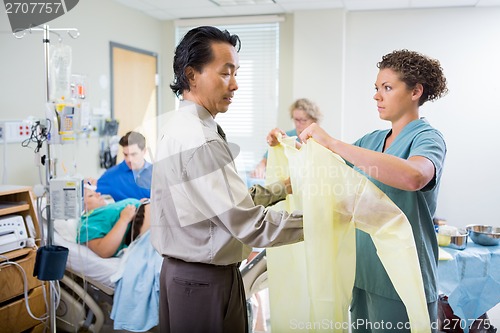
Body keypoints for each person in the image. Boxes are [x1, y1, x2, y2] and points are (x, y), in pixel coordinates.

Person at [270, 49, 446, 331]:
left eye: (387, 88)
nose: (377, 96)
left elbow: (415, 176)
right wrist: (286, 147)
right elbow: (327, 176)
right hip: (363, 272)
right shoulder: (372, 140)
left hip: (402, 276)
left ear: (416, 92)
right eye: (376, 88)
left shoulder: (427, 138)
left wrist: (335, 144)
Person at [151, 26, 304, 333]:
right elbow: (250, 224)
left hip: (184, 276)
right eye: (226, 73)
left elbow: (219, 202)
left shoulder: (180, 126)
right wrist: (326, 218)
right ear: (192, 75)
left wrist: (281, 188)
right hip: (203, 282)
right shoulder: (201, 140)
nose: (235, 85)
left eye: (235, 73)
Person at [250, 98, 323, 179]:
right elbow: (265, 160)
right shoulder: (286, 136)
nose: (298, 124)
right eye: (296, 119)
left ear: (314, 120)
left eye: (303, 120)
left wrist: (291, 142)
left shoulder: (321, 140)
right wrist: (260, 168)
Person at [79, 187, 150, 258]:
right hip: (140, 224)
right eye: (90, 195)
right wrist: (124, 219)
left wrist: (140, 203)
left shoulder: (107, 208)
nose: (98, 194)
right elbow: (103, 250)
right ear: (80, 206)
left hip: (148, 211)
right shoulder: (89, 222)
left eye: (95, 192)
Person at [93, 131, 152, 201]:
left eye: (133, 154)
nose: (129, 159)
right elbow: (91, 194)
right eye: (126, 155)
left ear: (144, 151)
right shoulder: (111, 175)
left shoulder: (157, 174)